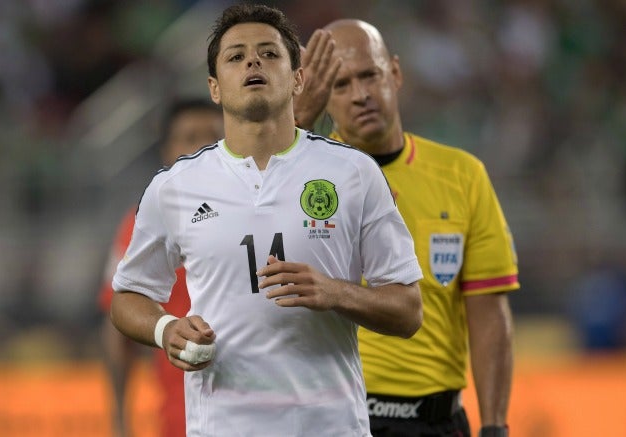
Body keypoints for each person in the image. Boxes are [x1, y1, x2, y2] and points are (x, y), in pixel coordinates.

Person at [109, 4, 424, 437]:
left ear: (298, 79)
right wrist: (166, 329)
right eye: (236, 56)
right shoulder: (175, 186)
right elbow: (127, 298)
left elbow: (408, 310)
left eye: (269, 53)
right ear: (215, 88)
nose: (253, 62)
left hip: (331, 428)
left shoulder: (353, 172)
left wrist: (336, 292)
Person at [295, 19, 519, 437]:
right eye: (340, 85)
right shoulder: (305, 181)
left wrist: (494, 427)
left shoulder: (462, 175)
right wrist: (298, 126)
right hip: (342, 417)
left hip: (440, 421)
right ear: (321, 95)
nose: (361, 95)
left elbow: (488, 310)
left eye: (370, 75)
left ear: (395, 73)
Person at [98, 98, 223, 437]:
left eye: (214, 136)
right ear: (167, 151)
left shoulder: (263, 209)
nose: (202, 147)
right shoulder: (141, 224)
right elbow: (118, 329)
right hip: (182, 420)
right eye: (190, 137)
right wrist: (120, 421)